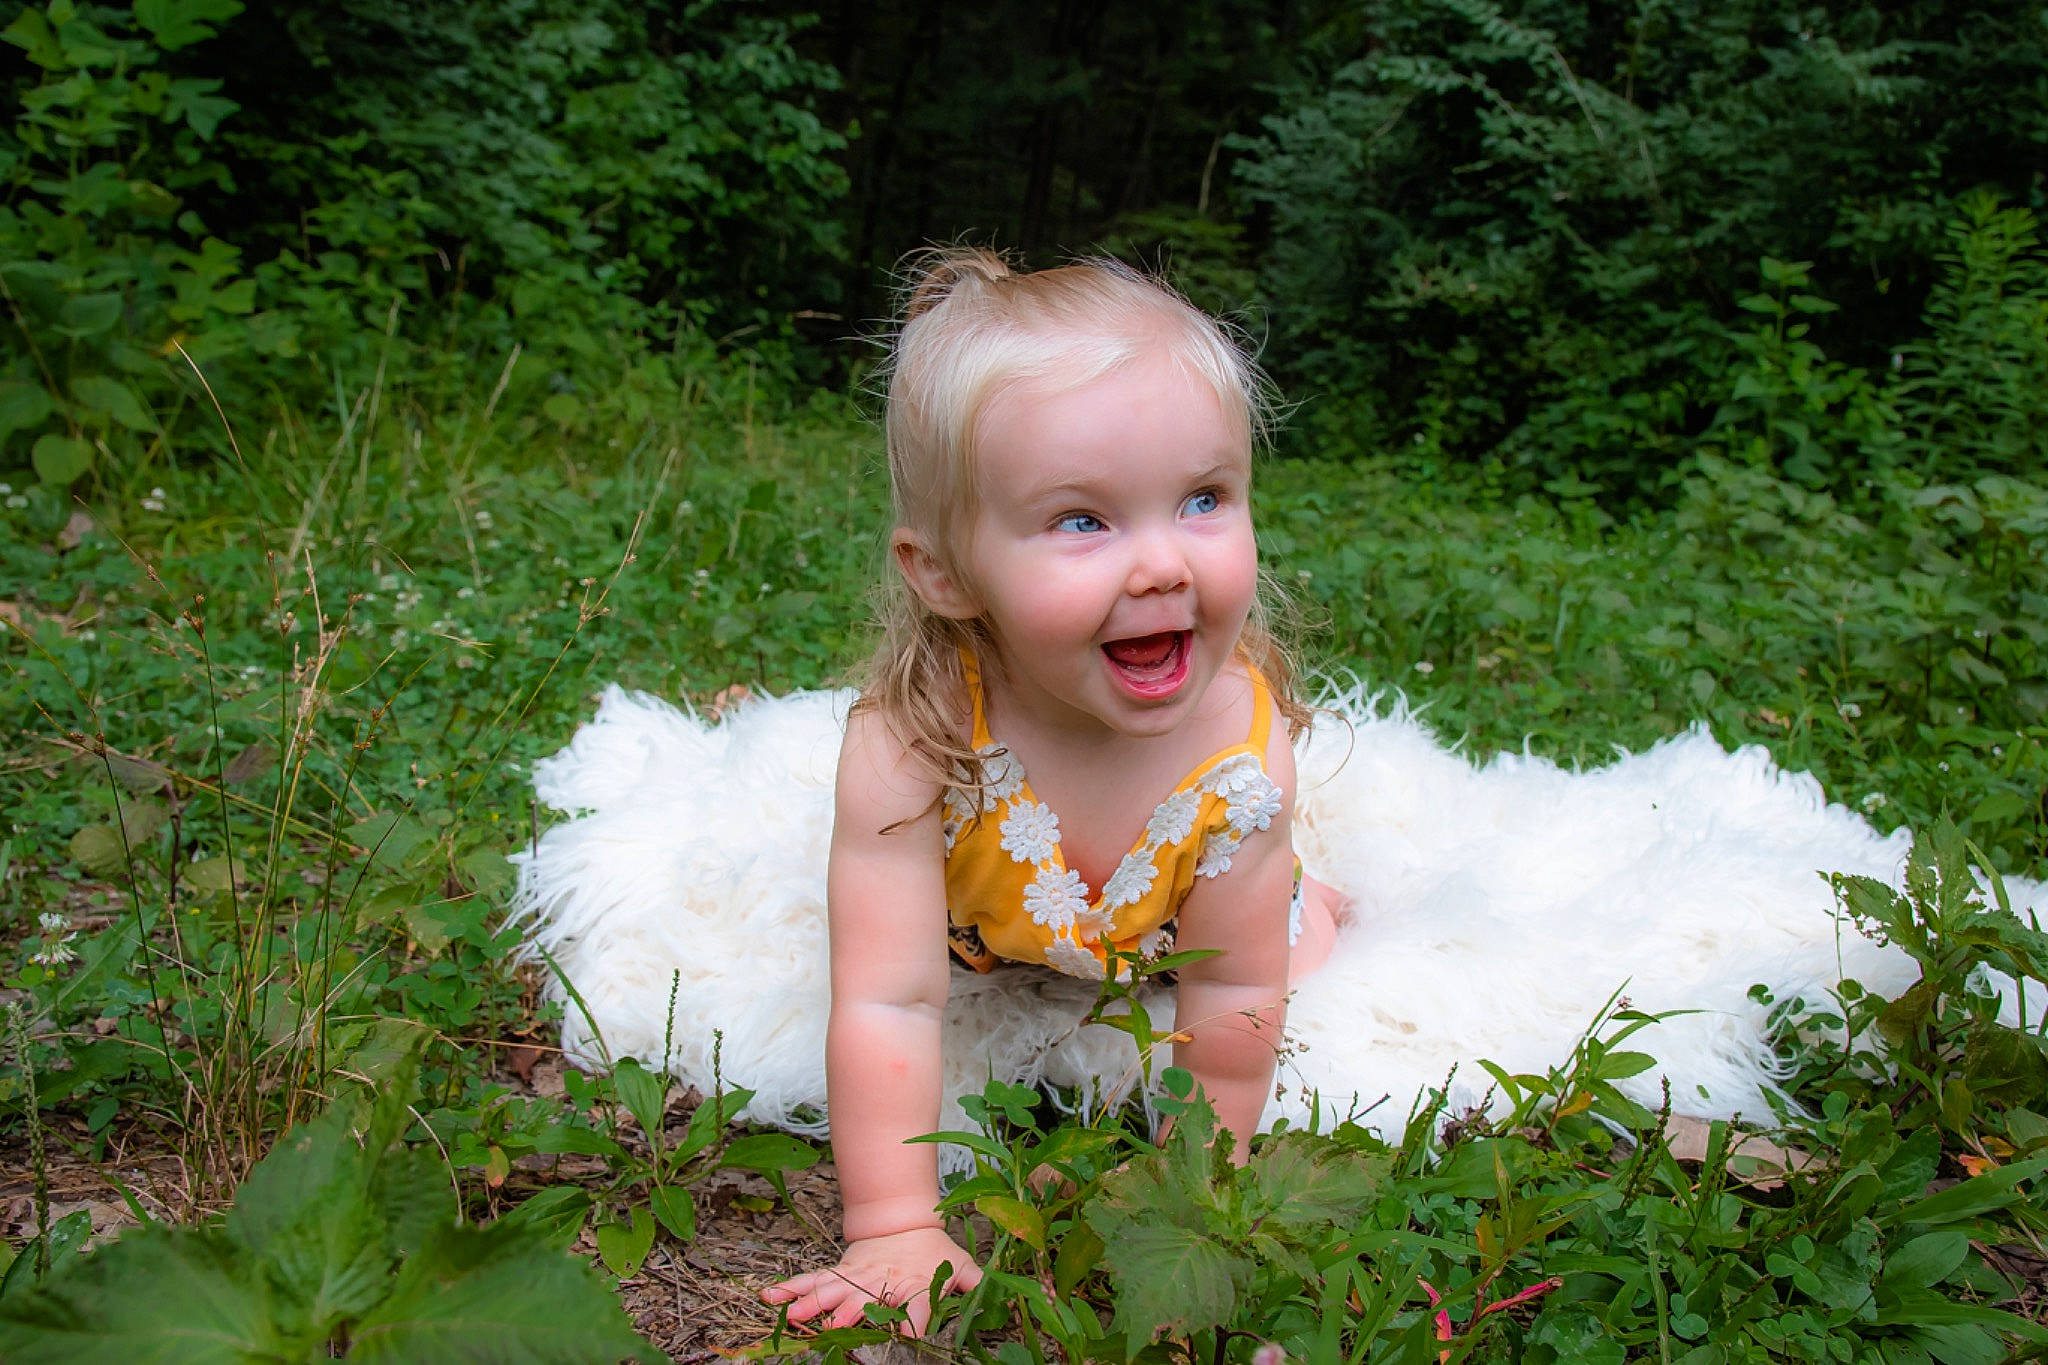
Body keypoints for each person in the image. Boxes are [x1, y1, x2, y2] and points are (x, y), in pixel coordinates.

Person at [758, 248, 1345, 1334]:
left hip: (1165, 936)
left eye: (1203, 498)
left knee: (1284, 948)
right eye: (1083, 520)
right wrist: (892, 1221)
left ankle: (1319, 906)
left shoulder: (1239, 762)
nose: (1164, 565)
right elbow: (889, 999)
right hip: (997, 935)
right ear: (941, 571)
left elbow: (1225, 1004)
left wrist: (1188, 1200)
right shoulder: (914, 746)